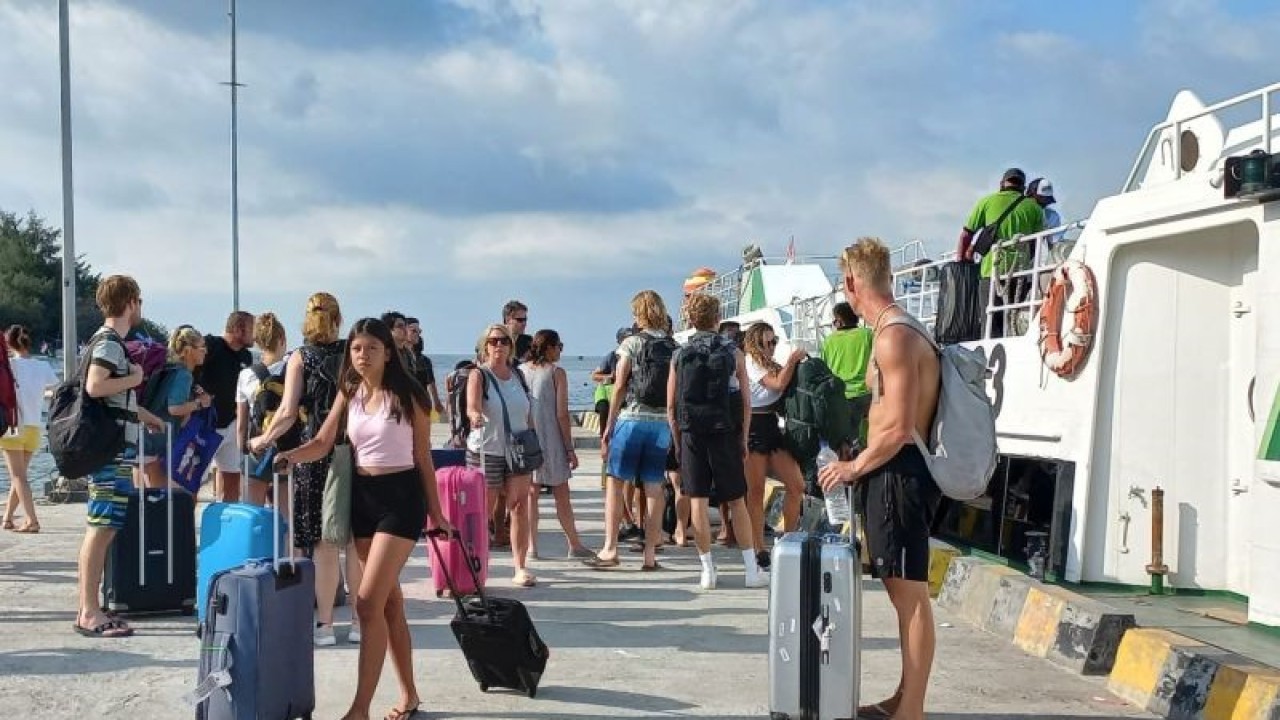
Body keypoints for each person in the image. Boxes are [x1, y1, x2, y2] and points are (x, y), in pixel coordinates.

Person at [276, 317, 449, 720]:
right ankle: (409, 696)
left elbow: (424, 457)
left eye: (372, 348)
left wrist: (437, 513)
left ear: (388, 352)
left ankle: (359, 709)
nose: (362, 355)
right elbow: (322, 442)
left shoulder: (408, 395)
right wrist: (286, 454)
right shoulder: (349, 390)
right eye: (356, 348)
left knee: (367, 603)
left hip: (402, 500)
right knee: (389, 605)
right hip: (363, 499)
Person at [819, 237, 943, 720]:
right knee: (899, 588)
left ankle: (911, 709)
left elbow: (897, 426)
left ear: (851, 282)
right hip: (893, 471)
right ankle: (904, 698)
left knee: (908, 592)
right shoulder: (894, 330)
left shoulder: (894, 335)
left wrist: (852, 467)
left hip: (901, 473)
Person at [249, 292, 356, 646]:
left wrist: (262, 440)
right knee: (355, 542)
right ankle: (359, 623)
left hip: (313, 451)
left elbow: (287, 413)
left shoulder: (300, 357)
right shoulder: (352, 354)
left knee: (323, 544)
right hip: (352, 448)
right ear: (338, 319)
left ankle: (324, 625)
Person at [74, 275, 166, 638]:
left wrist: (148, 417)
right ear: (130, 303)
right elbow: (97, 386)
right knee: (102, 527)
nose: (140, 307)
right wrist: (136, 376)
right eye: (139, 301)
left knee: (103, 525)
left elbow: (113, 400)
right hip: (109, 452)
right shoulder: (111, 343)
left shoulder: (105, 341)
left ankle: (89, 607)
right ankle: (89, 611)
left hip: (111, 447)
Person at [667, 294, 765, 589]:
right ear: (717, 317)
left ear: (690, 319)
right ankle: (751, 570)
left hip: (692, 432)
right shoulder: (732, 352)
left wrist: (679, 440)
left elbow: (671, 406)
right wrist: (743, 438)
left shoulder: (679, 355)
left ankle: (707, 570)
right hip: (725, 431)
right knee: (736, 500)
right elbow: (747, 403)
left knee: (697, 499)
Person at [584, 290, 673, 572]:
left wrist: (609, 425)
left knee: (616, 482)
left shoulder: (632, 343)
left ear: (638, 314)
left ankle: (610, 548)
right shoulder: (674, 347)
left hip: (632, 419)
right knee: (654, 487)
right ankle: (650, 554)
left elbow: (620, 384)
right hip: (661, 426)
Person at [466, 323, 538, 587]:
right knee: (481, 510)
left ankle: (520, 566)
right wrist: (475, 417)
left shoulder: (518, 376)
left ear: (511, 346)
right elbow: (472, 407)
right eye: (493, 341)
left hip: (518, 449)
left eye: (504, 341)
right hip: (487, 449)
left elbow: (527, 410)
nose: (499, 345)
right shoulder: (479, 375)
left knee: (519, 507)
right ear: (485, 346)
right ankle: (475, 565)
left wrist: (533, 439)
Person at [520, 329, 593, 560]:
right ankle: (574, 543)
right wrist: (569, 448)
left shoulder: (520, 371)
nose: (561, 350)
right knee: (562, 494)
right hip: (551, 439)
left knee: (531, 493)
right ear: (550, 347)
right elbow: (562, 414)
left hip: (527, 439)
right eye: (559, 346)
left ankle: (532, 547)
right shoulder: (556, 373)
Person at [740, 322, 806, 570]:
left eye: (774, 341)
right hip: (753, 425)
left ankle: (789, 538)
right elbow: (777, 384)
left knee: (796, 484)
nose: (772, 347)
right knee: (755, 491)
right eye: (768, 343)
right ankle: (759, 547)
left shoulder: (770, 364)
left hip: (770, 424)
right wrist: (792, 360)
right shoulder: (751, 362)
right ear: (756, 343)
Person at [955, 168, 1045, 337]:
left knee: (990, 321)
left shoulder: (986, 202)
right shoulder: (1034, 208)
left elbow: (966, 234)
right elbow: (1036, 243)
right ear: (1022, 187)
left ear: (1002, 183)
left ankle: (989, 357)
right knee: (1012, 319)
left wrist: (961, 262)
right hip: (1020, 271)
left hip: (992, 270)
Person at [1, 325, 59, 533]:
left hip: (14, 426)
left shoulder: (8, 366)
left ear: (8, 344)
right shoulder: (42, 366)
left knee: (18, 477)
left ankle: (31, 520)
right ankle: (7, 518)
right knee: (21, 476)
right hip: (34, 426)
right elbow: (55, 389)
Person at [141, 326, 212, 489]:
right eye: (201, 348)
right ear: (188, 351)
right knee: (162, 498)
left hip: (147, 438)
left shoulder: (169, 368)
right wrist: (200, 404)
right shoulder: (184, 375)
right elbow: (174, 408)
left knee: (146, 495)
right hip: (159, 439)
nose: (205, 352)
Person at [198, 311, 255, 501]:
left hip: (234, 425)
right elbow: (189, 368)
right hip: (208, 425)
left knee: (232, 479)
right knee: (194, 480)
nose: (254, 334)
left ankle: (225, 523)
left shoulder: (246, 357)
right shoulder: (211, 346)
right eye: (251, 329)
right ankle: (185, 527)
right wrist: (198, 393)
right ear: (239, 329)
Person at [235, 312, 289, 506]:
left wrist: (244, 451)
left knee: (252, 513)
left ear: (258, 342)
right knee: (285, 520)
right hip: (286, 448)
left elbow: (241, 423)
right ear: (282, 339)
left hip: (256, 448)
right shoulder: (292, 371)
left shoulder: (245, 375)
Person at [821, 302, 874, 445]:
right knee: (868, 438)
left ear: (839, 320)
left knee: (845, 442)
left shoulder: (828, 341)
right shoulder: (867, 335)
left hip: (841, 396)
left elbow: (824, 369)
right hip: (866, 394)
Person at [405, 317, 444, 416]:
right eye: (414, 330)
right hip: (404, 405)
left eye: (419, 331)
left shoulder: (424, 360)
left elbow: (431, 382)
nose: (418, 333)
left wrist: (436, 402)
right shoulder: (395, 357)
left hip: (421, 403)